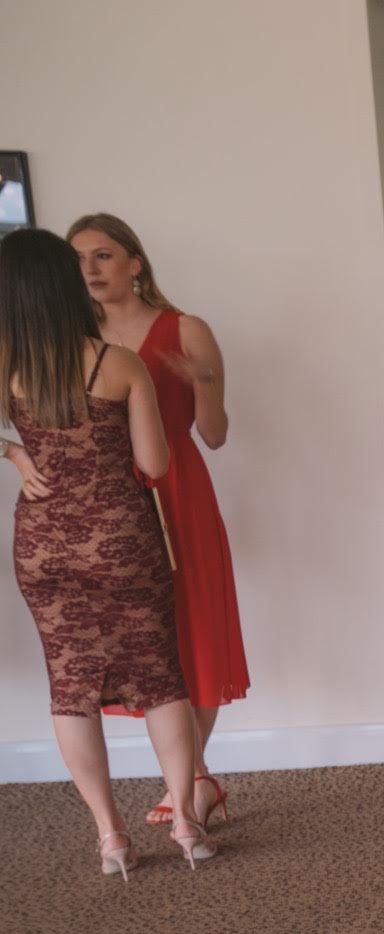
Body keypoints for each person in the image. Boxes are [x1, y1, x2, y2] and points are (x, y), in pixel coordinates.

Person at [1, 227, 217, 873]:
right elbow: (153, 462)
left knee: (69, 687)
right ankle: (184, 822)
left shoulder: (6, 361)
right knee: (160, 678)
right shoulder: (119, 364)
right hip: (122, 538)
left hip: (42, 544)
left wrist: (13, 449)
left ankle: (110, 836)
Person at [65, 213, 247, 830]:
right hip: (108, 501)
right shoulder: (69, 338)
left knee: (192, 628)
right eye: (79, 260)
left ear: (135, 263)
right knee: (144, 642)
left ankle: (194, 780)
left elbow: (215, 436)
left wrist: (204, 383)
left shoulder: (185, 328)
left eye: (103, 256)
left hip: (178, 492)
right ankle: (190, 781)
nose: (89, 269)